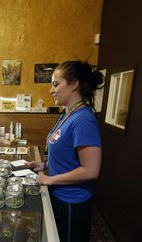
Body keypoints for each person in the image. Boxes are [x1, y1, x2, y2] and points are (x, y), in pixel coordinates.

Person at [26, 60, 104, 242]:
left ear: (74, 84)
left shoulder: (83, 120)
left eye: (56, 84)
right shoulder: (67, 113)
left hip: (72, 201)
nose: (51, 90)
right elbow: (68, 156)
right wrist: (44, 164)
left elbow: (90, 170)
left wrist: (50, 178)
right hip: (58, 194)